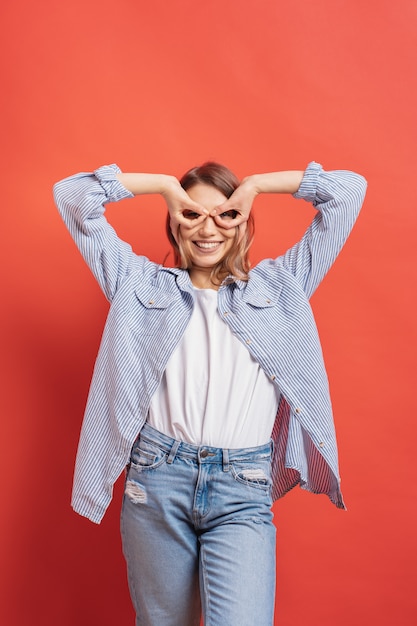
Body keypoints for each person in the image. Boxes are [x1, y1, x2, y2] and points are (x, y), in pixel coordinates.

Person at [53, 159, 367, 626]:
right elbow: (72, 196)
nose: (208, 229)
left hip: (243, 486)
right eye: (192, 214)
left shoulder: (282, 287)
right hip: (157, 480)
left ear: (242, 221)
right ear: (175, 221)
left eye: (224, 215)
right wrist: (162, 186)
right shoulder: (136, 284)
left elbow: (348, 192)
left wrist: (256, 186)